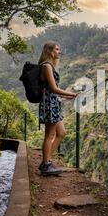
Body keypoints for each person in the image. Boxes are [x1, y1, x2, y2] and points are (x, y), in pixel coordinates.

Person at [38, 41, 78, 176]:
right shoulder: (47, 66)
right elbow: (53, 88)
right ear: (50, 51)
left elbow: (52, 90)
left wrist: (65, 98)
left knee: (61, 133)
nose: (59, 52)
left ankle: (47, 160)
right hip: (50, 104)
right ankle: (46, 165)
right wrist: (71, 93)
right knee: (49, 135)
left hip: (54, 102)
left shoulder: (50, 66)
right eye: (57, 49)